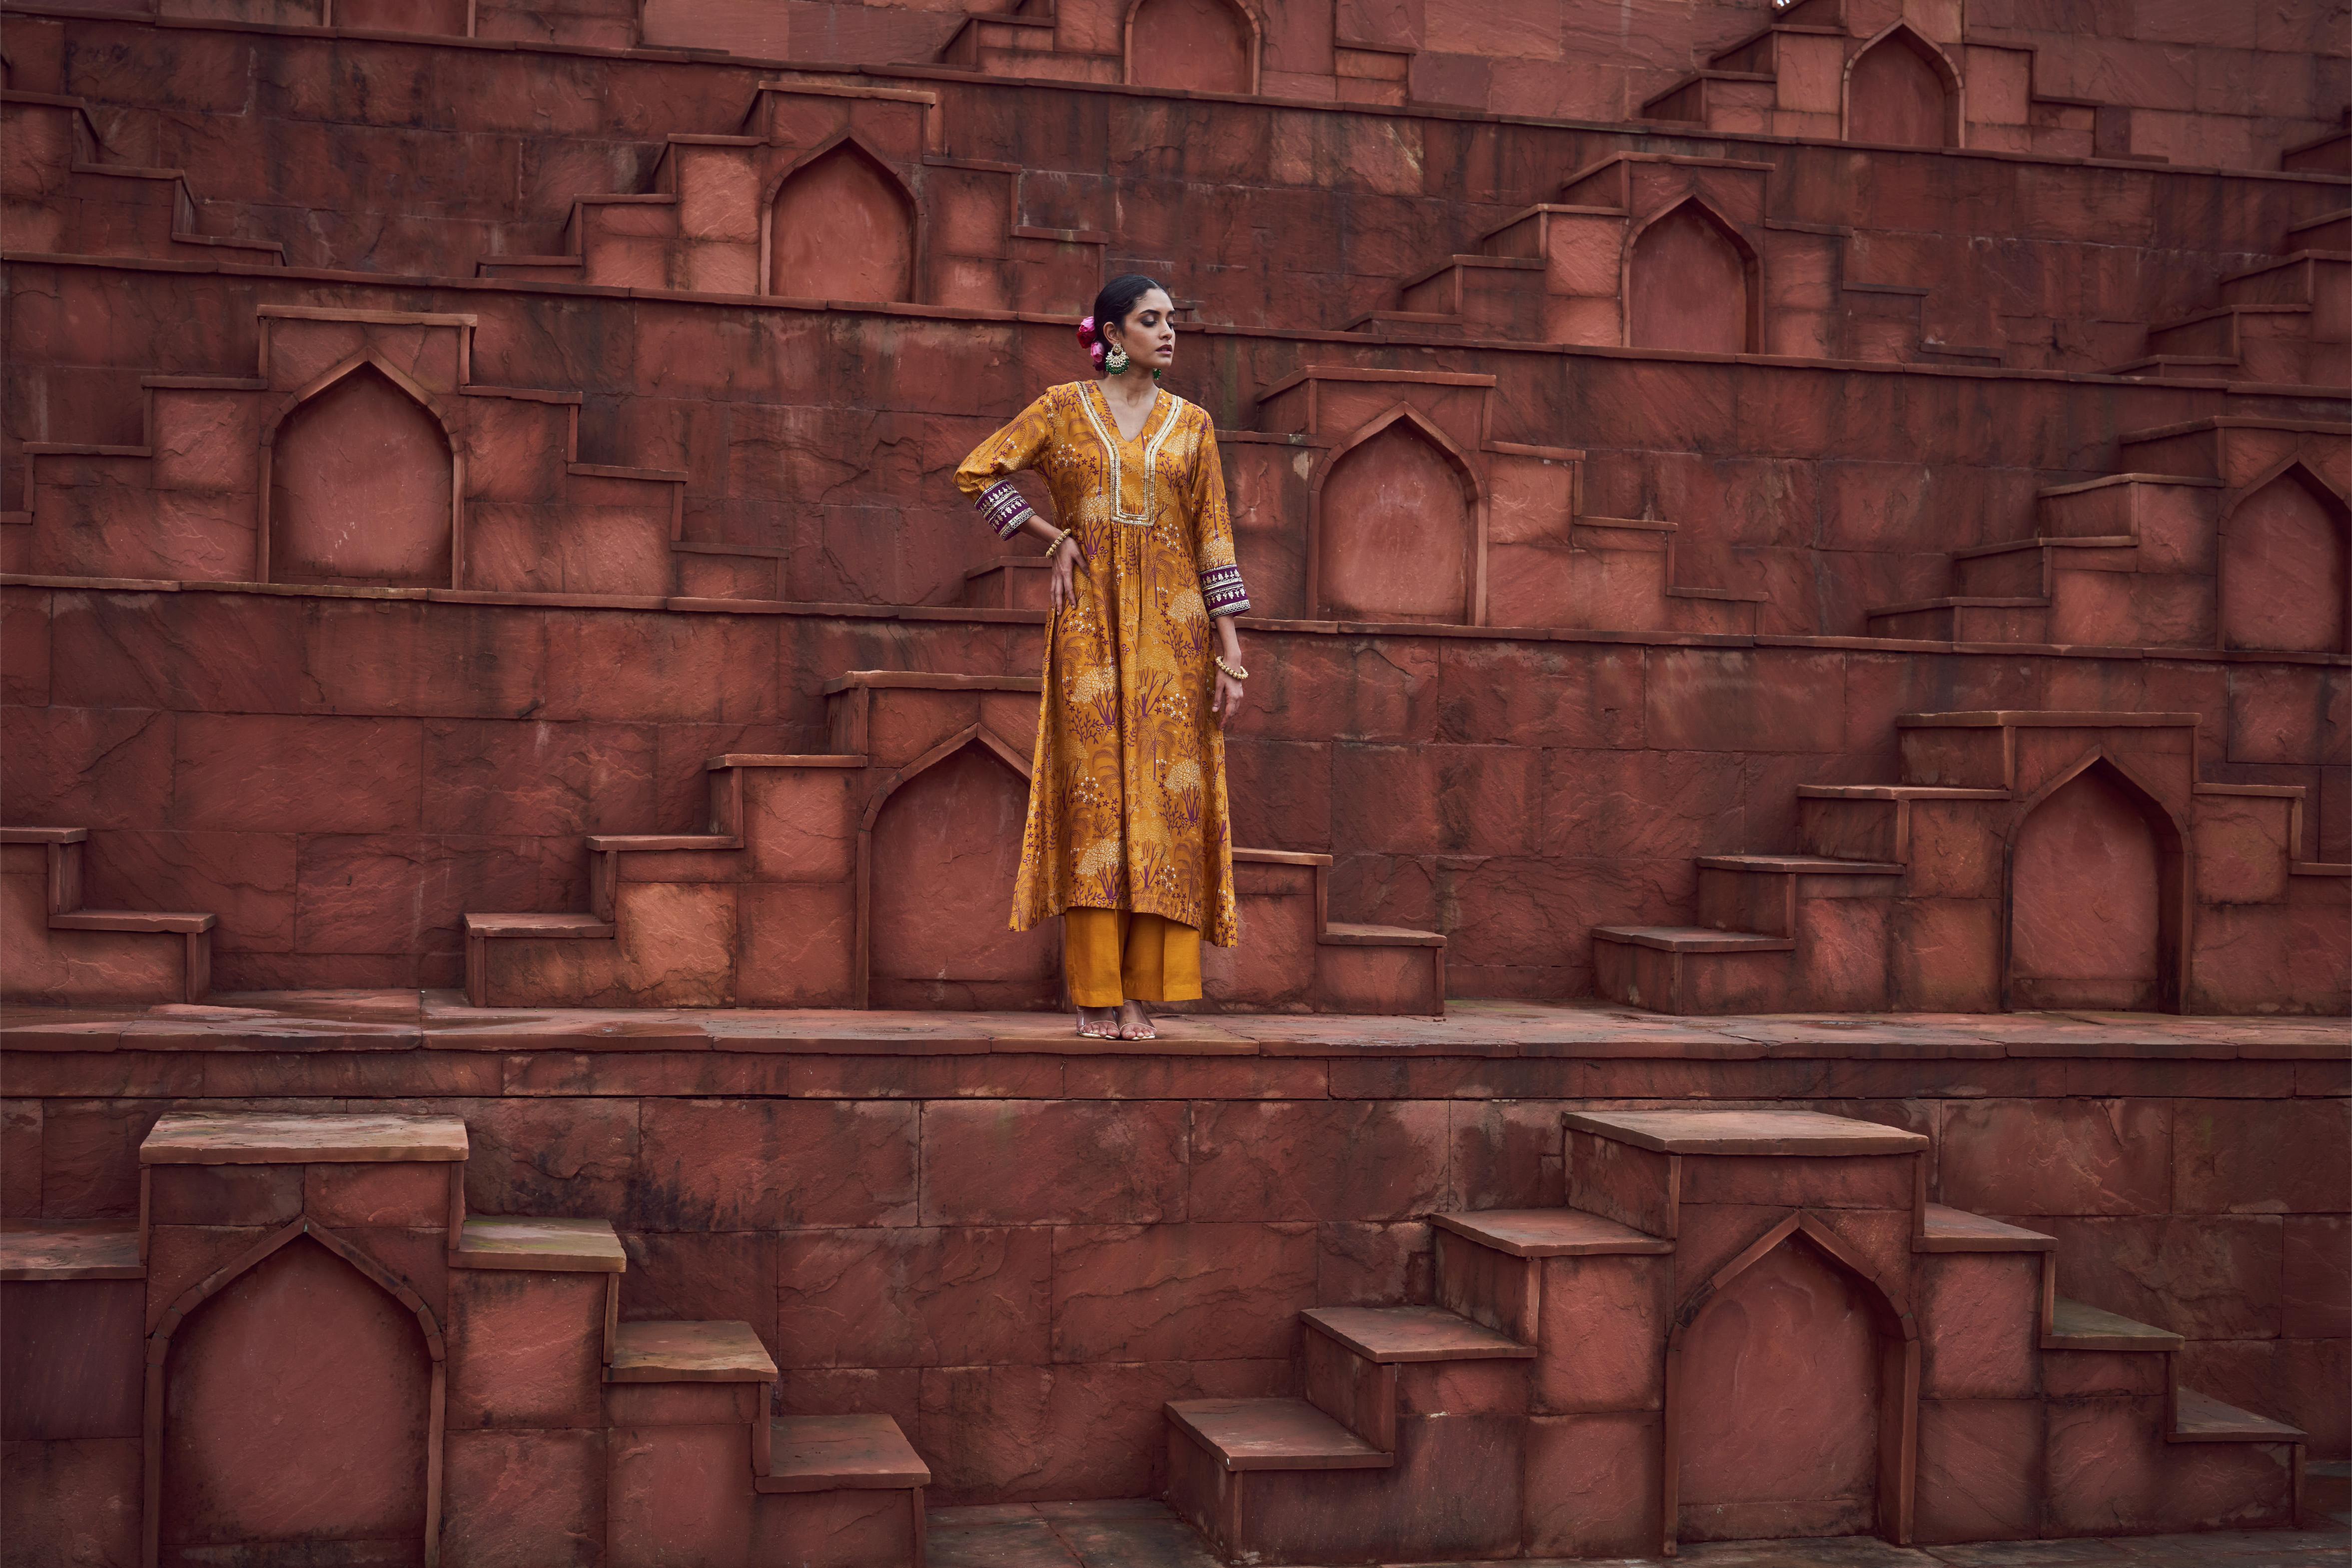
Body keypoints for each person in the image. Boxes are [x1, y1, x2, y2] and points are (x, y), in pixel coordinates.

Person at [954, 274, 1252, 1042]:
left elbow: (1213, 537)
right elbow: (977, 472)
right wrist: (1050, 536)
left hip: (1176, 639)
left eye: (1172, 320)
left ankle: (1140, 998)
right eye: (1150, 320)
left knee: (1162, 808)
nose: (1168, 332)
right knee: (1095, 807)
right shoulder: (1062, 410)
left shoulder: (1194, 426)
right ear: (1113, 335)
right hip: (1087, 628)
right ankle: (1094, 993)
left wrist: (1230, 654)